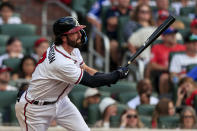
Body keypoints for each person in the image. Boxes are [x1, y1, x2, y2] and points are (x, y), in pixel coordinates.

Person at [15, 16, 129, 131]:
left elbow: (86, 69)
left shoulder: (72, 49)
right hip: (35, 109)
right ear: (64, 38)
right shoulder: (60, 62)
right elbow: (91, 81)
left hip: (61, 101)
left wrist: (106, 77)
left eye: (79, 30)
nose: (80, 34)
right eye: (74, 32)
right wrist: (115, 76)